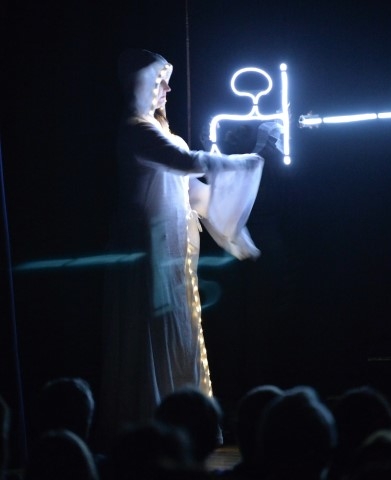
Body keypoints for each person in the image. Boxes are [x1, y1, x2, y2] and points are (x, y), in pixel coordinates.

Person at [99, 48, 264, 445]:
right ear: (139, 85)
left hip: (173, 253)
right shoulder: (136, 130)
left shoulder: (162, 133)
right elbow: (185, 162)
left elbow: (195, 194)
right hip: (149, 249)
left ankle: (182, 426)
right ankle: (151, 425)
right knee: (154, 329)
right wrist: (245, 162)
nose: (168, 90)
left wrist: (234, 232)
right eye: (159, 82)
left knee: (175, 329)